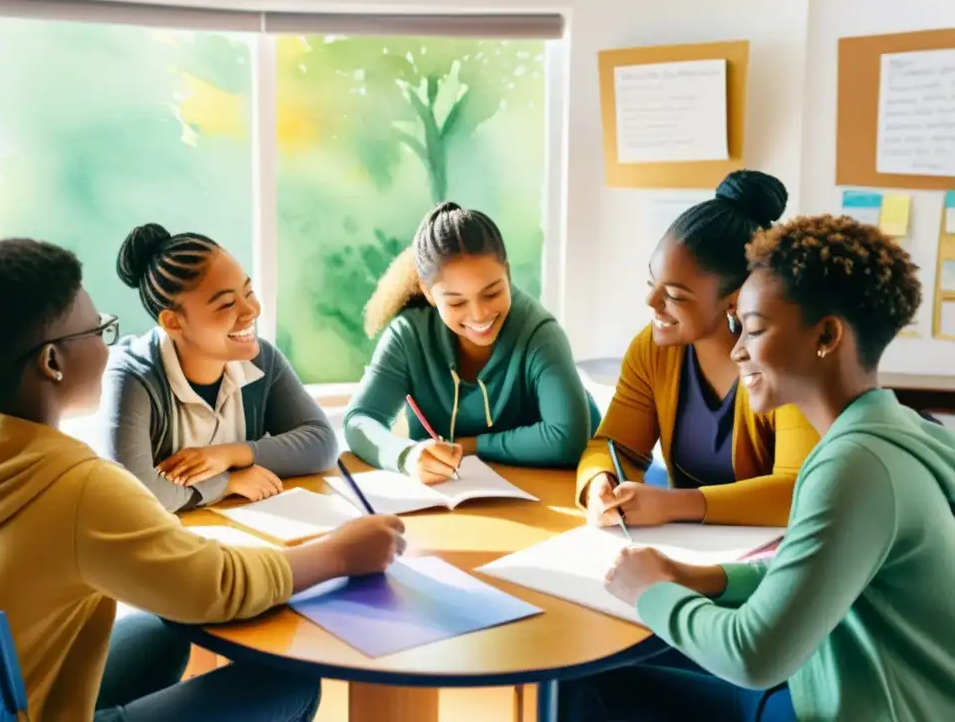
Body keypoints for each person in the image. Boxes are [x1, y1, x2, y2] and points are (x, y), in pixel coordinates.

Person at [0, 238, 405, 721]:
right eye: (99, 330)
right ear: (52, 362)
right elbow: (217, 587)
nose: (108, 342)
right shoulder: (77, 487)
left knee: (166, 629)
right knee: (289, 682)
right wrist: (340, 554)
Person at [561, 215, 955, 721]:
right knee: (600, 682)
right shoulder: (887, 431)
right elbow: (808, 568)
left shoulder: (855, 466)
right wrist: (695, 577)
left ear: (827, 335)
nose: (740, 349)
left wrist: (650, 591)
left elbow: (753, 658)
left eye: (754, 329)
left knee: (586, 692)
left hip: (844, 705)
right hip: (820, 682)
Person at [577, 170, 819, 528]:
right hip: (687, 550)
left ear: (735, 299)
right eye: (652, 283)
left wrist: (677, 505)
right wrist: (599, 483)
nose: (652, 301)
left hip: (770, 562)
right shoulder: (653, 348)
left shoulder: (790, 363)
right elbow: (614, 445)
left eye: (674, 295)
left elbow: (796, 492)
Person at [344, 201, 600, 483]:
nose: (479, 314)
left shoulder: (540, 334)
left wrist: (469, 446)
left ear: (508, 273)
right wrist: (407, 456)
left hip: (557, 490)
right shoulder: (408, 335)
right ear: (428, 293)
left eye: (492, 293)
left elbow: (567, 438)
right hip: (454, 498)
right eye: (456, 302)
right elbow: (359, 421)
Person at [100, 223, 336, 513]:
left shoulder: (262, 361)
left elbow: (321, 443)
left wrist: (231, 454)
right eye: (226, 304)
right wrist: (227, 484)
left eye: (248, 293)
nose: (251, 311)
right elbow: (133, 494)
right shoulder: (131, 377)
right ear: (174, 322)